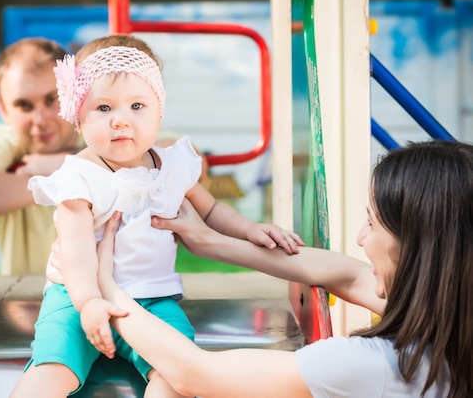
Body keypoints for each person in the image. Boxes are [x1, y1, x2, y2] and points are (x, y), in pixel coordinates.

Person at [10, 36, 304, 397]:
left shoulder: (173, 164)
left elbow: (211, 210)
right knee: (54, 369)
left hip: (153, 299)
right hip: (76, 298)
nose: (121, 120)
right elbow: (76, 252)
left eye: (137, 105)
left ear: (159, 111)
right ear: (77, 116)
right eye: (104, 109)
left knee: (179, 375)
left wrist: (250, 229)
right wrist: (89, 304)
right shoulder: (78, 178)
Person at [93, 139, 473, 397]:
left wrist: (105, 287)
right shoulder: (456, 325)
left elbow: (194, 373)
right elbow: (344, 274)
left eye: (373, 223)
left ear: (422, 246)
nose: (360, 238)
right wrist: (211, 241)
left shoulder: (380, 365)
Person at [0, 36, 206, 275]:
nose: (40, 120)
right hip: (32, 295)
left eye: (52, 99)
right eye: (24, 105)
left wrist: (66, 167)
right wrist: (66, 180)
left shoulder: (107, 131)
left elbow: (192, 160)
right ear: (3, 109)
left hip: (126, 290)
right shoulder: (7, 139)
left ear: (71, 95)